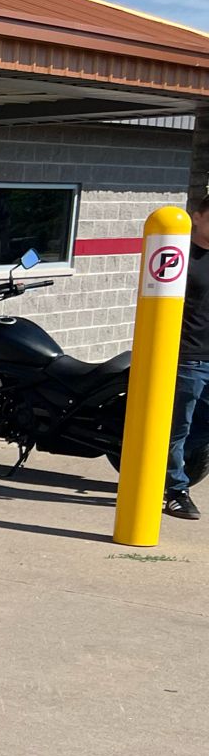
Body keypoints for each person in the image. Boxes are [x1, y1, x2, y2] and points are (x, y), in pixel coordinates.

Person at [165, 189, 209, 520]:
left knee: (192, 430)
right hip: (188, 357)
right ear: (197, 216)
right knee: (177, 427)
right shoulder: (179, 255)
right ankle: (175, 490)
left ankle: (152, 462)